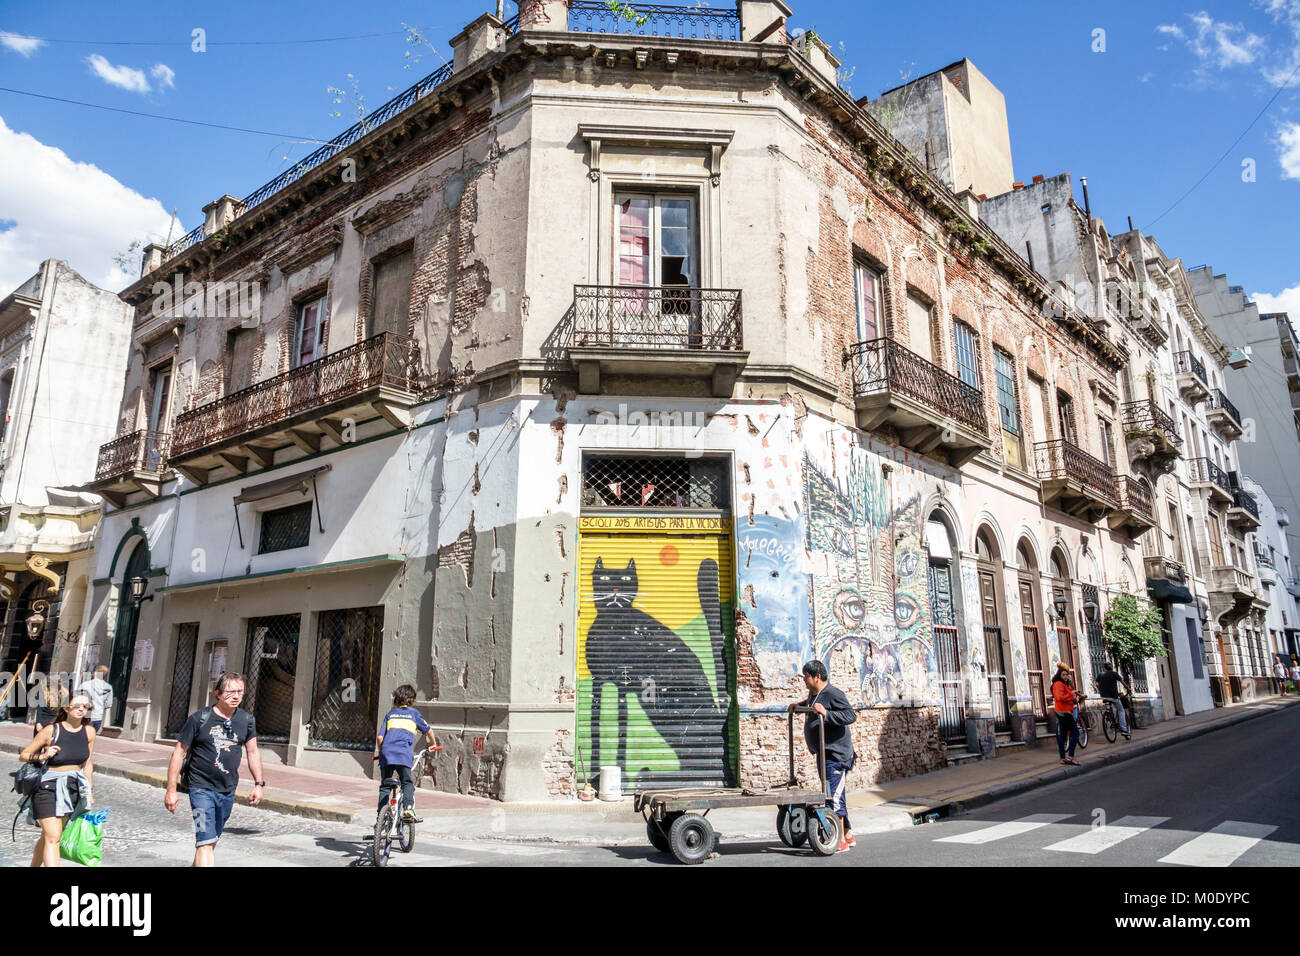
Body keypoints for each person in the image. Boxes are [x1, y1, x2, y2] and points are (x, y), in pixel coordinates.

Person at [164, 672, 264, 867]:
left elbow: (253, 752)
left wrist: (259, 784)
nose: (236, 696)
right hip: (200, 788)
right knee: (205, 841)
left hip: (227, 790)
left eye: (240, 692)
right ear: (218, 693)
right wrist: (171, 790)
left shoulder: (246, 720)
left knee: (211, 841)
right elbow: (179, 753)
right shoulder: (199, 719)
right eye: (231, 691)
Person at [17, 692, 95, 867]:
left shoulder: (89, 732)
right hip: (47, 787)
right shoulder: (51, 730)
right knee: (53, 836)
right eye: (77, 705)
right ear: (66, 708)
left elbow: (88, 764)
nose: (82, 708)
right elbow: (24, 755)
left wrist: (88, 791)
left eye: (85, 706)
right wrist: (44, 755)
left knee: (50, 836)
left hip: (72, 788)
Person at [787, 660, 858, 852]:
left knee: (833, 797)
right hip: (823, 753)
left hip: (836, 755)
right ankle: (847, 833)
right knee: (833, 794)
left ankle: (840, 840)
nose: (804, 680)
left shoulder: (833, 694)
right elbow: (810, 704)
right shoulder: (814, 694)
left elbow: (850, 715)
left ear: (817, 677)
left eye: (806, 676)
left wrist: (826, 713)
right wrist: (798, 706)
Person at [376, 684, 437, 820]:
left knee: (385, 786)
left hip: (386, 754)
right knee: (406, 783)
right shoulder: (414, 714)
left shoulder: (390, 714)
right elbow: (428, 730)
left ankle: (380, 816)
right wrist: (433, 744)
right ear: (412, 700)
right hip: (403, 755)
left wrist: (381, 753)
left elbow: (380, 737)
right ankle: (408, 809)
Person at [1051, 664, 1081, 766]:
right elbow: (1060, 697)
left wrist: (1074, 695)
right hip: (1064, 712)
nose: (1065, 677)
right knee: (1075, 733)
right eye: (1063, 674)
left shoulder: (1064, 684)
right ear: (1059, 675)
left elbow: (1069, 696)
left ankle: (1063, 758)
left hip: (1065, 711)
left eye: (1066, 675)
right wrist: (1071, 694)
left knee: (1063, 734)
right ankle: (1070, 756)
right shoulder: (1058, 684)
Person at [1096, 660, 1131, 740]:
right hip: (1113, 697)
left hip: (1104, 696)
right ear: (1111, 667)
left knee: (1109, 707)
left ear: (1104, 668)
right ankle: (1124, 729)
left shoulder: (1100, 675)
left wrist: (1101, 691)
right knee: (1121, 710)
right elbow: (1122, 682)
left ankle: (1109, 718)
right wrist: (1128, 689)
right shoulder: (1114, 674)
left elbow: (1097, 684)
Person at [78, 665, 114, 731]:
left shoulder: (85, 685)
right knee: (91, 737)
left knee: (82, 737)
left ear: (95, 673)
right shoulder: (109, 687)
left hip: (86, 716)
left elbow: (77, 699)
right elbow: (108, 704)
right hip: (98, 717)